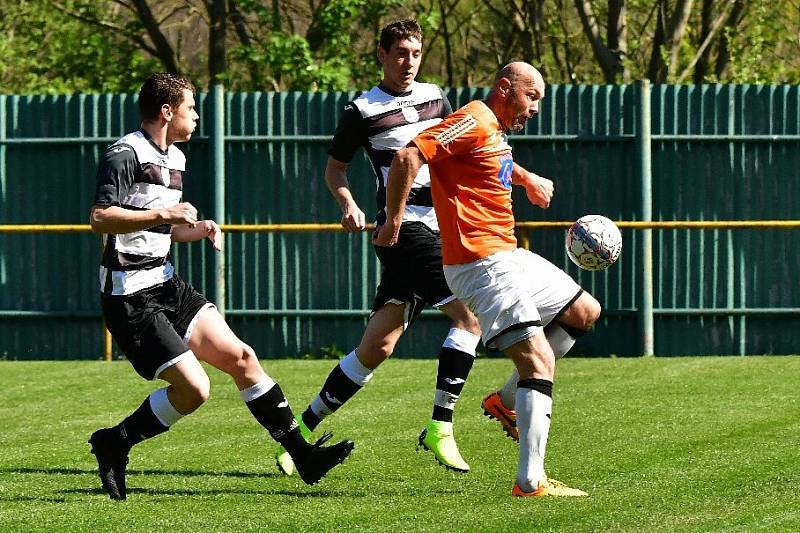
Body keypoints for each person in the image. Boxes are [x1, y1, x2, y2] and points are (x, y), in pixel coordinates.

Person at [88, 72, 353, 500]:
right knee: (195, 390)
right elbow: (100, 218)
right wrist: (166, 216)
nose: (196, 116)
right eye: (191, 108)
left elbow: (161, 228)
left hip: (166, 282)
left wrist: (195, 228)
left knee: (242, 357)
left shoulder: (175, 157)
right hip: (130, 294)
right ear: (167, 111)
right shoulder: (125, 153)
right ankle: (115, 441)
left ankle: (304, 457)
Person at [374, 62, 601, 497]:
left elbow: (487, 160)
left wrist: (527, 178)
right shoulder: (475, 117)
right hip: (480, 264)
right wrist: (395, 220)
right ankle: (531, 482)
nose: (536, 108)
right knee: (539, 361)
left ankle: (506, 401)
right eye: (531, 96)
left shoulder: (493, 129)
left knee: (582, 311)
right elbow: (409, 155)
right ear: (504, 87)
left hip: (507, 255)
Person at [274, 19, 482, 476]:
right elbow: (335, 170)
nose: (409, 62)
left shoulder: (436, 98)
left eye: (416, 53)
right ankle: (440, 427)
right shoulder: (362, 110)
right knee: (470, 319)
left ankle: (300, 434)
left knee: (378, 347)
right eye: (401, 53)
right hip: (402, 229)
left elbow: (453, 158)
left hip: (440, 227)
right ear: (382, 55)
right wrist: (347, 203)